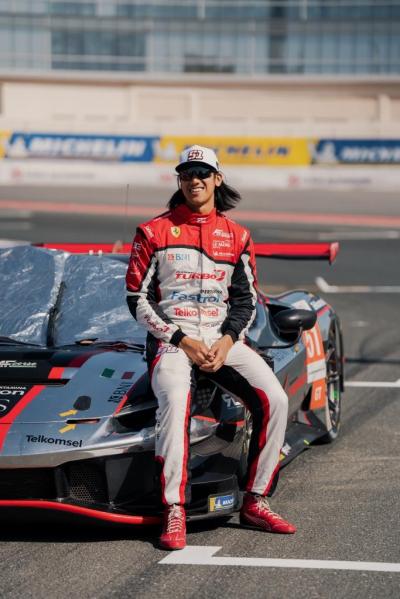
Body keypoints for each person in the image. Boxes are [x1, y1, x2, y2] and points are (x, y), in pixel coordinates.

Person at [126, 145, 296, 550]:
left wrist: (226, 340)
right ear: (179, 180)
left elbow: (246, 302)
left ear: (217, 179)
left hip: (221, 340)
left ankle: (255, 500)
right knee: (174, 400)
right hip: (173, 340)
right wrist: (181, 340)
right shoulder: (153, 231)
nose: (195, 180)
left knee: (276, 399)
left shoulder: (237, 236)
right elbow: (136, 298)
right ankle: (174, 508)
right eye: (187, 174)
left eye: (203, 173)